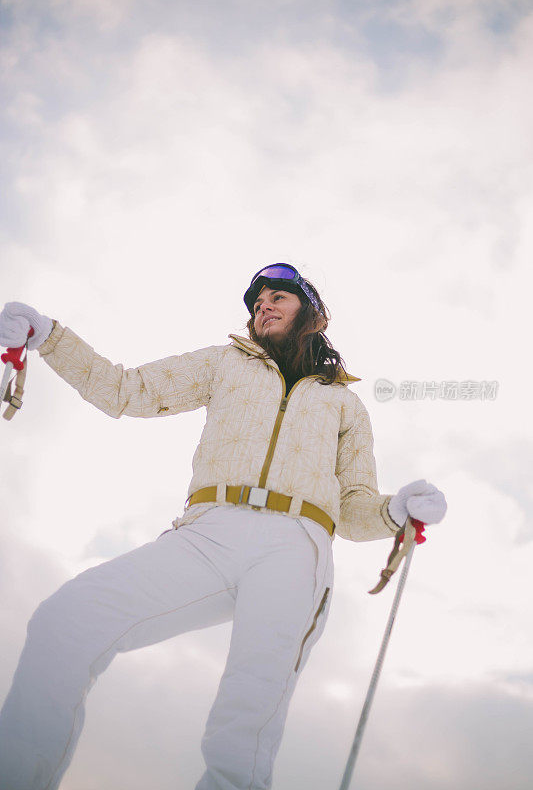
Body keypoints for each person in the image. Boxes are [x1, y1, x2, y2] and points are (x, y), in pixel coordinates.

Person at [0, 264, 447, 790]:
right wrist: (50, 337)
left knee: (248, 711)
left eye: (278, 296)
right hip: (208, 530)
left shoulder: (344, 404)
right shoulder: (223, 364)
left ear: (312, 313)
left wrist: (396, 511)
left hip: (295, 544)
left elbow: (352, 507)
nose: (264, 305)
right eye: (256, 301)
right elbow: (126, 389)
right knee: (66, 620)